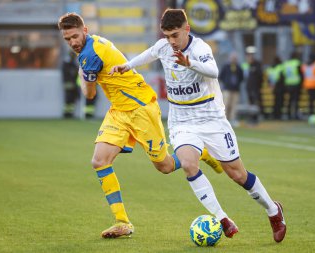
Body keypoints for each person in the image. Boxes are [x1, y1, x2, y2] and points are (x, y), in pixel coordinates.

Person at [111, 9, 286, 243]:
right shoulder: (164, 46)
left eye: (175, 35)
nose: (171, 41)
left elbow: (213, 71)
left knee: (237, 174)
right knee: (188, 164)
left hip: (211, 119)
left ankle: (273, 211)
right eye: (167, 35)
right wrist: (127, 65)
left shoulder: (200, 49)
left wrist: (189, 63)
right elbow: (149, 54)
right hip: (182, 121)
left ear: (187, 30)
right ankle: (223, 218)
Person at [57, 12, 221, 239]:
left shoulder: (89, 55)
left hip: (141, 108)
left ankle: (201, 152)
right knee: (99, 160)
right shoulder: (92, 44)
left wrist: (82, 75)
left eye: (75, 36)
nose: (72, 42)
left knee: (164, 166)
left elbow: (90, 94)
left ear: (84, 30)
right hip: (119, 111)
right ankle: (122, 222)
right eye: (67, 39)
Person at [219, 52, 244, 126]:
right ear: (230, 58)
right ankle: (224, 119)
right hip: (227, 89)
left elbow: (241, 77)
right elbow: (221, 76)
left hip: (235, 89)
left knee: (234, 105)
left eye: (235, 58)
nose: (234, 59)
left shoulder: (238, 67)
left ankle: (232, 119)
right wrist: (226, 83)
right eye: (233, 58)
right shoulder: (226, 66)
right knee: (226, 104)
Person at [301, 53, 315, 119]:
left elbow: (303, 75)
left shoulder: (305, 65)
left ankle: (311, 114)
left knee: (311, 101)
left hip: (308, 84)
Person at [245, 46, 264, 120]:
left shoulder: (257, 64)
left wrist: (259, 85)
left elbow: (260, 75)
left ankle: (260, 115)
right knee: (251, 102)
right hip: (249, 87)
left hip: (256, 86)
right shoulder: (246, 64)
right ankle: (252, 116)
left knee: (257, 101)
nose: (250, 56)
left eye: (251, 54)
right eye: (249, 55)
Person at [282, 52, 302, 120]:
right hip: (296, 83)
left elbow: (284, 74)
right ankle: (295, 114)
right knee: (295, 100)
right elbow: (300, 73)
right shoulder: (296, 63)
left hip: (288, 84)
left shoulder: (286, 64)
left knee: (289, 100)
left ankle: (288, 114)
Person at [62, 51, 79, 118]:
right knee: (68, 99)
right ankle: (66, 113)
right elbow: (67, 75)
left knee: (72, 99)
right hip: (69, 84)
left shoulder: (73, 65)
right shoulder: (67, 65)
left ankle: (70, 113)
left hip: (74, 85)